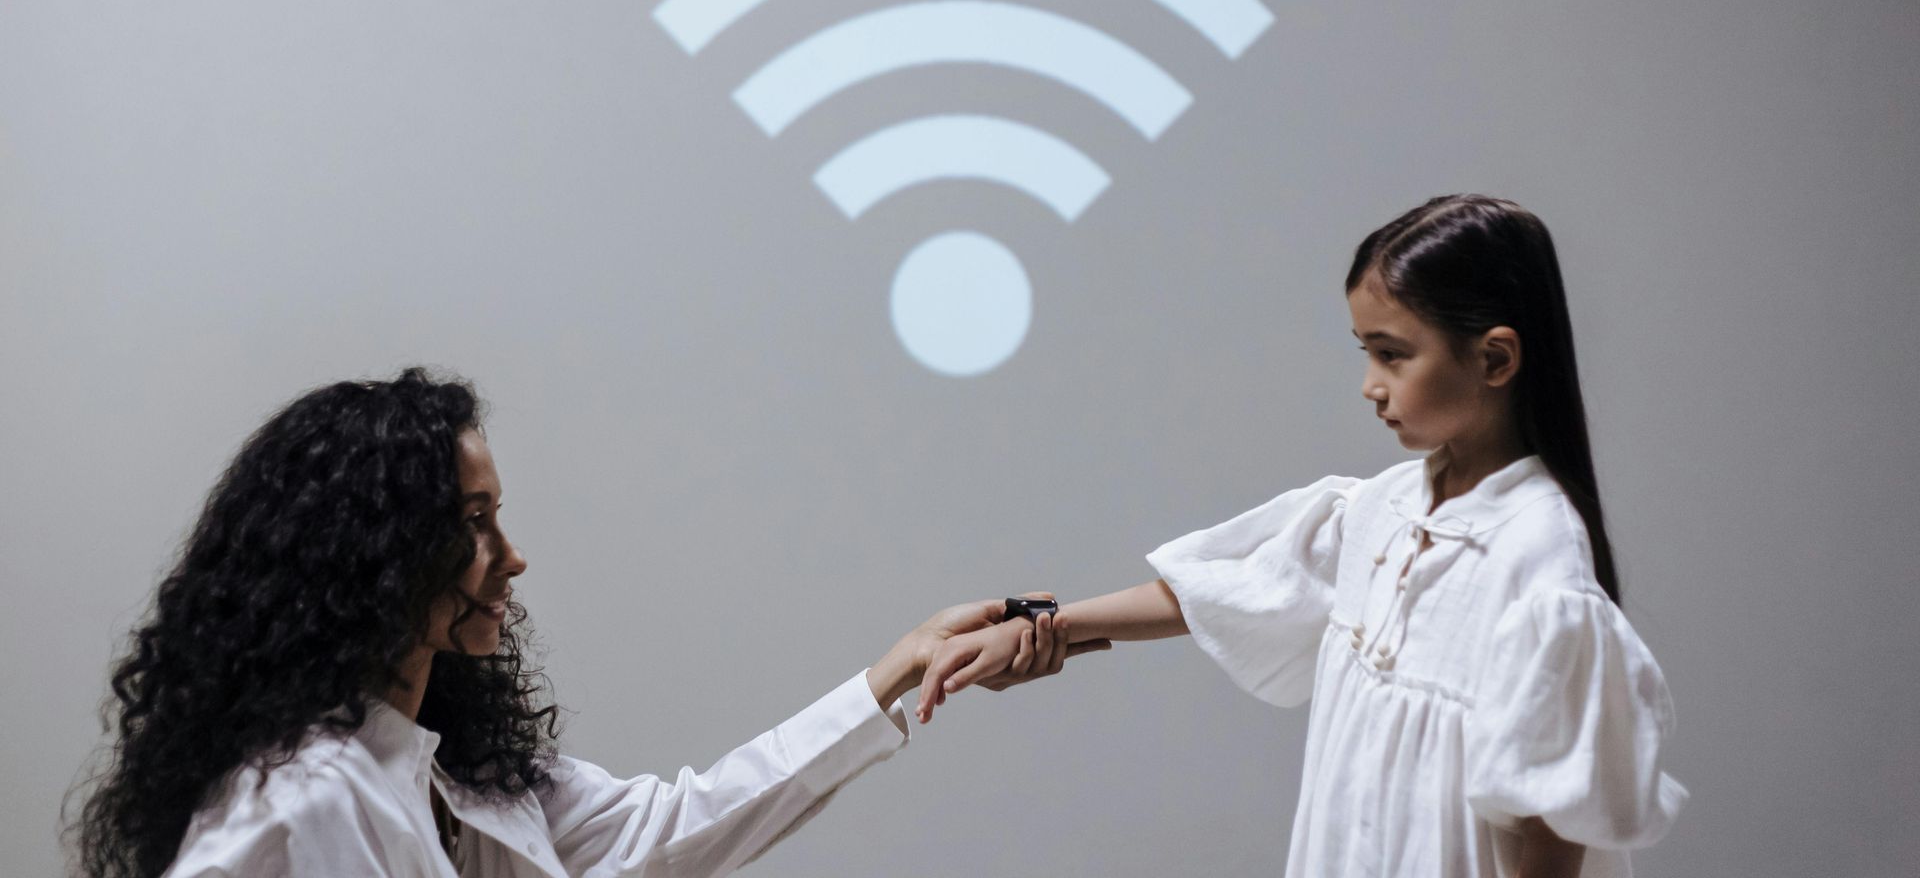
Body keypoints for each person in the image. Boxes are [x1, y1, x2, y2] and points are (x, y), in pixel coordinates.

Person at [70, 369, 1104, 877]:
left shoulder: (457, 775)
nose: (510, 557)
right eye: (475, 524)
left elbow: (677, 822)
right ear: (374, 554)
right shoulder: (302, 796)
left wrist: (893, 673)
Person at [920, 194, 1688, 877]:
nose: (1371, 385)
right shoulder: (1381, 510)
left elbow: (1551, 838)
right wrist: (1038, 625)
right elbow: (1222, 591)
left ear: (1494, 358)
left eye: (1393, 355)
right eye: (1366, 353)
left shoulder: (1538, 570)